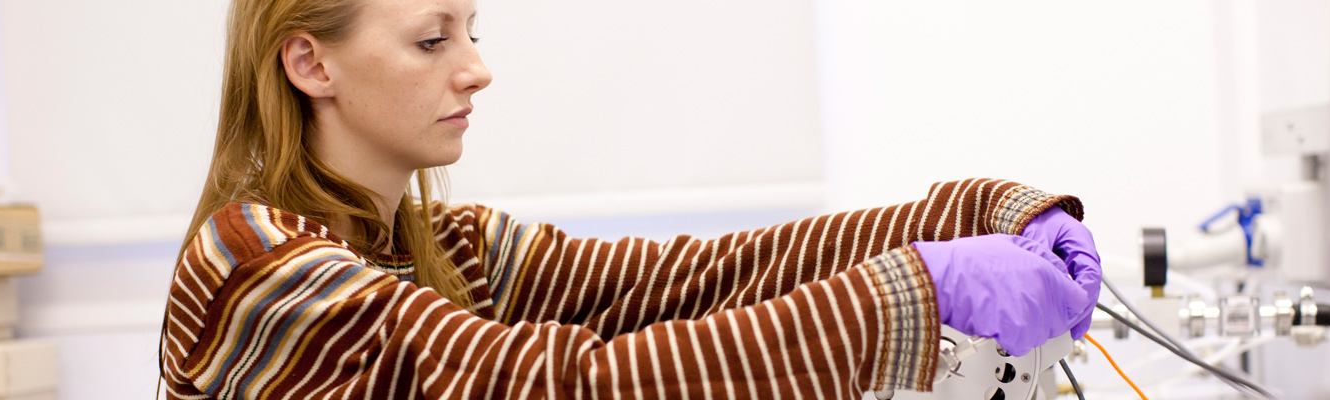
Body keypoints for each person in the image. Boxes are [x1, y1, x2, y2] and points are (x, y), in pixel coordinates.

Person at [157, 0, 1102, 398]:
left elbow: (690, 281)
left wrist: (984, 213)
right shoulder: (259, 266)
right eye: (432, 40)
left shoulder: (445, 246)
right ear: (310, 62)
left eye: (472, 32)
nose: (479, 70)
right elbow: (565, 388)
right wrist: (923, 288)